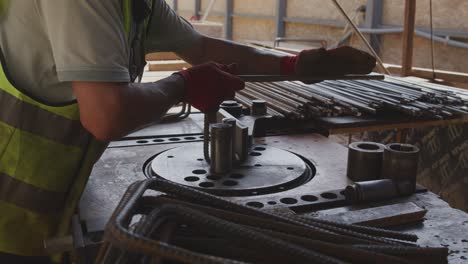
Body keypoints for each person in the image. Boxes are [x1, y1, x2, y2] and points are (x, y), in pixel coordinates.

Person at [0, 0, 376, 262]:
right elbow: (107, 115)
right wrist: (180, 86)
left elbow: (200, 47)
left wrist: (293, 66)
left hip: (46, 206)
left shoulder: (137, 4)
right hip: (9, 214)